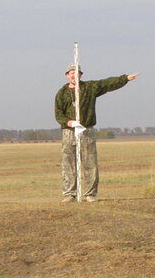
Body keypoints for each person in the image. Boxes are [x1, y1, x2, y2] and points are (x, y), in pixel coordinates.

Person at [54, 66, 139, 202]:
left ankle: (90, 194)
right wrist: (69, 122)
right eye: (71, 73)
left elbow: (107, 83)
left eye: (76, 73)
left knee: (90, 162)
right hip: (69, 132)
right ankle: (69, 193)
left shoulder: (90, 87)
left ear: (81, 75)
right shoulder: (62, 93)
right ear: (67, 75)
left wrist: (125, 79)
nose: (74, 76)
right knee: (68, 163)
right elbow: (58, 113)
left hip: (87, 130)